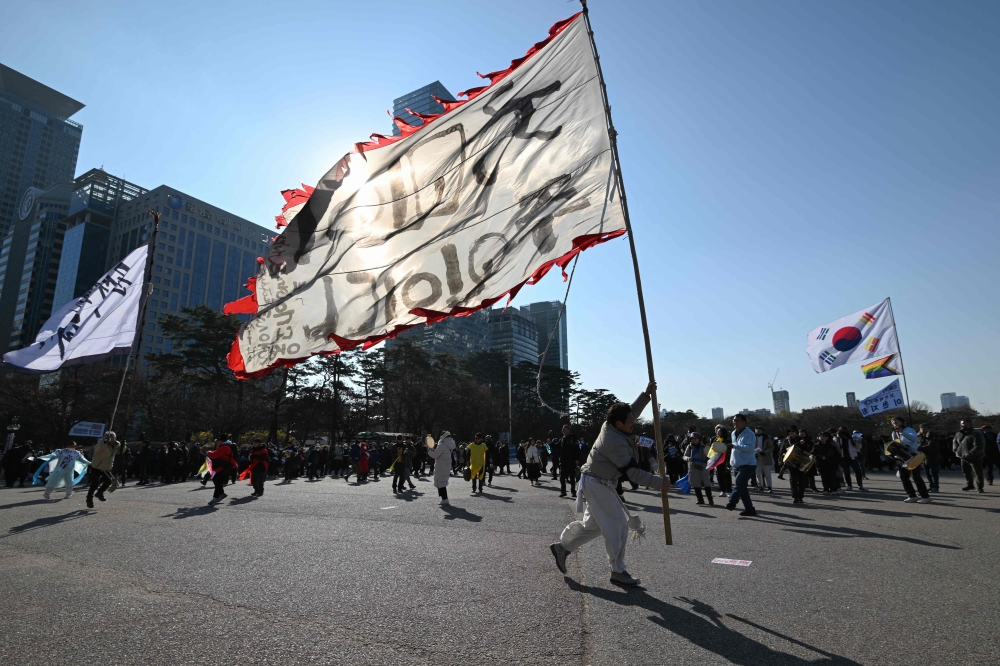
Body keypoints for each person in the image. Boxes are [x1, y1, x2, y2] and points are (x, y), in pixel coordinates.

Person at [550, 381, 667, 588]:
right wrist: (660, 483)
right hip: (597, 484)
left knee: (594, 527)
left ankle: (563, 547)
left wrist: (646, 395)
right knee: (618, 525)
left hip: (597, 482)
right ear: (619, 424)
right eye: (630, 421)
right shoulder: (615, 442)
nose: (634, 422)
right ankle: (618, 571)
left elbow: (630, 411)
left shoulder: (612, 425)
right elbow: (632, 473)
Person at [890, 417, 931, 503]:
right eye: (893, 423)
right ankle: (912, 495)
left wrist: (903, 432)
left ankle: (925, 496)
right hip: (902, 457)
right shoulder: (894, 433)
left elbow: (914, 439)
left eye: (897, 422)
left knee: (916, 476)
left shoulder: (909, 429)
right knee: (904, 477)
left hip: (913, 455)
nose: (895, 424)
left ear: (902, 422)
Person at [725, 414, 758, 516]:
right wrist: (730, 462)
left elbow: (750, 448)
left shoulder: (750, 434)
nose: (735, 422)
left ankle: (732, 502)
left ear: (744, 422)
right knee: (742, 488)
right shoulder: (733, 433)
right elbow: (735, 450)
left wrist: (734, 446)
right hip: (737, 464)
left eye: (738, 420)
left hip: (748, 464)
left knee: (739, 482)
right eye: (734, 420)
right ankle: (750, 510)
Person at [86, 432, 125, 509]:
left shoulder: (116, 445)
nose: (112, 439)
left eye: (113, 437)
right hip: (97, 466)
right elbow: (97, 450)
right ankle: (89, 498)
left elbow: (121, 452)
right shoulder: (101, 443)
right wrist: (104, 442)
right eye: (110, 437)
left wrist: (123, 445)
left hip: (106, 467)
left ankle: (100, 493)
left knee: (108, 481)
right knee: (95, 484)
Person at [952, 420, 985, 493]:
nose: (962, 425)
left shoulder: (976, 434)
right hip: (963, 457)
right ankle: (970, 485)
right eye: (961, 424)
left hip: (975, 457)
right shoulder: (959, 433)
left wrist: (971, 453)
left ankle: (980, 487)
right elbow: (955, 442)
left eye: (963, 423)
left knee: (978, 473)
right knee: (966, 472)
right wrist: (955, 450)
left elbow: (979, 445)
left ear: (969, 424)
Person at [682, 432, 713, 506]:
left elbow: (710, 456)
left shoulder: (704, 447)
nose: (694, 440)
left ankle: (710, 500)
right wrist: (688, 458)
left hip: (704, 467)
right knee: (696, 484)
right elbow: (684, 456)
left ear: (699, 439)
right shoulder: (689, 447)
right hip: (693, 467)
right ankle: (700, 499)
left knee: (707, 483)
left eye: (695, 438)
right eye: (692, 438)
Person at [206, 437, 239, 505]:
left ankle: (216, 498)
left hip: (225, 467)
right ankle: (221, 494)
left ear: (221, 441)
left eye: (217, 441)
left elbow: (215, 455)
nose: (216, 442)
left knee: (218, 482)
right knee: (216, 480)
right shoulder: (225, 446)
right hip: (225, 466)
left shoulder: (224, 447)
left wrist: (208, 452)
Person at [427, 431, 456, 505]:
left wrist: (429, 451)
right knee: (442, 481)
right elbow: (440, 453)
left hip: (441, 466)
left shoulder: (442, 444)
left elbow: (435, 455)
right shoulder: (450, 444)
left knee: (440, 482)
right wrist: (434, 450)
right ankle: (443, 498)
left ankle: (444, 499)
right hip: (447, 465)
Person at [837, 426, 865, 491]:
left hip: (852, 457)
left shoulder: (851, 438)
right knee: (847, 473)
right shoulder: (837, 438)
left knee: (858, 471)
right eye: (842, 430)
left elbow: (858, 448)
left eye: (845, 430)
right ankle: (849, 485)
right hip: (843, 457)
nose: (844, 431)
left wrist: (859, 442)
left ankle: (860, 485)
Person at [788, 428, 811, 504]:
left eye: (793, 432)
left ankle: (801, 497)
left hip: (801, 462)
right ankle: (795, 497)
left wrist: (803, 444)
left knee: (801, 480)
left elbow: (808, 450)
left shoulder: (802, 440)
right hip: (790, 462)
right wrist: (780, 459)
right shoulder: (787, 440)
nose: (791, 433)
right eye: (790, 432)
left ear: (796, 433)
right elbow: (783, 450)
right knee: (793, 480)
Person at [815, 431, 841, 495]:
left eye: (824, 436)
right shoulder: (816, 446)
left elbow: (837, 455)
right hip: (821, 464)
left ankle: (833, 489)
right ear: (818, 438)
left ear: (827, 438)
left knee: (832, 477)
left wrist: (836, 463)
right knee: (824, 477)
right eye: (821, 436)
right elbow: (813, 454)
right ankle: (826, 488)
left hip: (831, 464)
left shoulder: (831, 445)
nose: (822, 438)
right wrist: (820, 457)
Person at [557, 425, 579, 498]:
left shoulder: (573, 438)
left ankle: (573, 491)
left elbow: (577, 449)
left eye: (565, 429)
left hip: (571, 460)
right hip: (563, 461)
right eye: (562, 429)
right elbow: (558, 446)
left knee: (572, 477)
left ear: (569, 430)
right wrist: (551, 444)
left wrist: (577, 458)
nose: (563, 431)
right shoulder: (562, 438)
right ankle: (563, 492)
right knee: (562, 477)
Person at [917, 424, 940, 493]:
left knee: (933, 473)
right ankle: (931, 485)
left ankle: (935, 487)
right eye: (921, 428)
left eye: (924, 428)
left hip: (932, 457)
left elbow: (931, 447)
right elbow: (919, 444)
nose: (923, 429)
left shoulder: (932, 436)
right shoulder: (921, 437)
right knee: (927, 474)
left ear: (928, 428)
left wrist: (920, 448)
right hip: (924, 458)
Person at [754, 426, 773, 493]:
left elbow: (771, 447)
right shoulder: (752, 437)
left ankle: (769, 487)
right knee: (758, 474)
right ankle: (760, 486)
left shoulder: (766, 438)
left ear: (762, 431)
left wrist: (765, 452)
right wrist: (754, 453)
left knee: (767, 474)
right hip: (756, 458)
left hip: (765, 457)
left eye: (759, 430)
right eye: (756, 430)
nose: (758, 431)